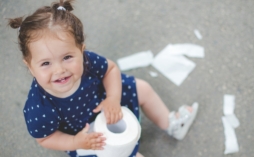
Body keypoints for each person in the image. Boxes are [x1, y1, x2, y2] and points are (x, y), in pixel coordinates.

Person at [8, 0, 199, 157]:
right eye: (45, 63)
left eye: (67, 57)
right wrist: (75, 142)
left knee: (143, 88)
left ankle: (172, 124)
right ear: (30, 66)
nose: (59, 70)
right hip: (86, 136)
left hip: (106, 100)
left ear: (81, 50)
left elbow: (110, 69)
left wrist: (113, 98)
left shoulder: (88, 61)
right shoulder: (39, 108)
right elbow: (44, 138)